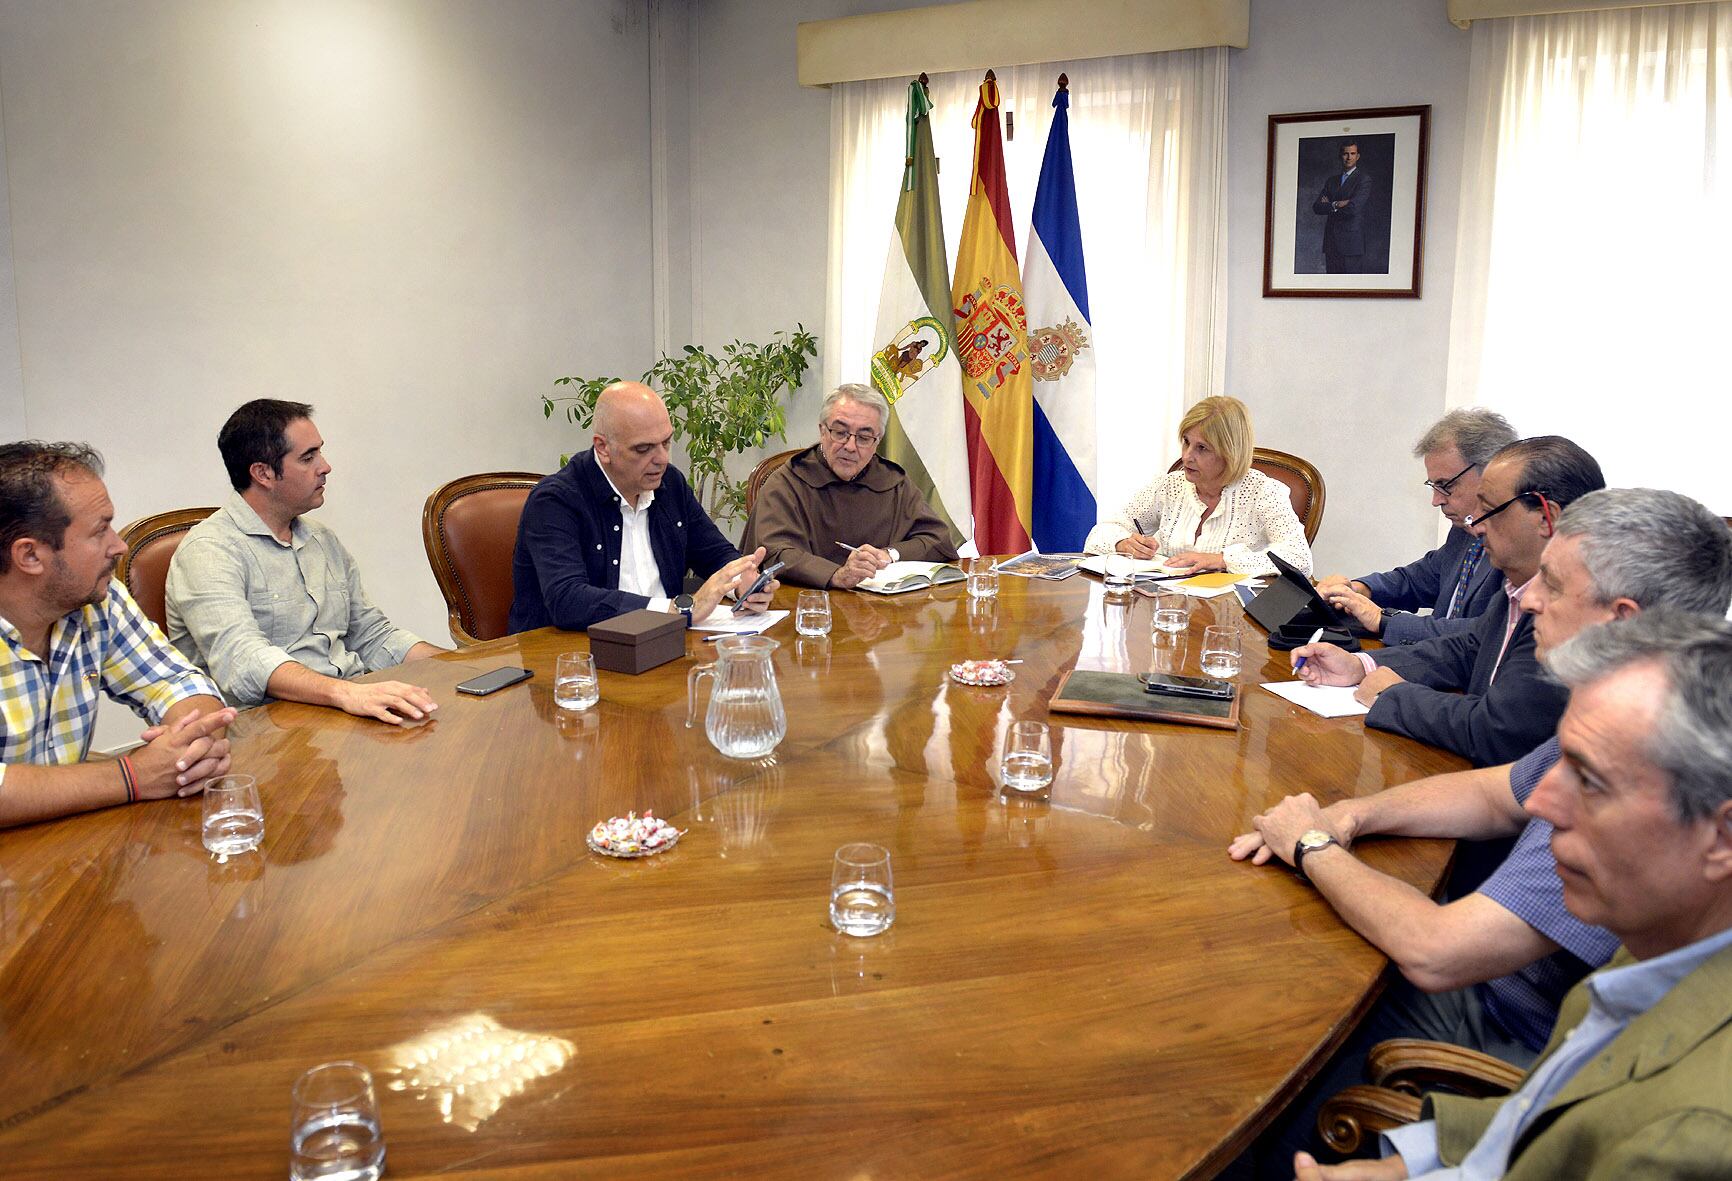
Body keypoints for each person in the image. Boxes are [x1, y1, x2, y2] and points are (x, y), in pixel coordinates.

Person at [1228, 488, 1732, 1175]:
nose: (1524, 599)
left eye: (1551, 585)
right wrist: (1350, 815)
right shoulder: (1630, 718)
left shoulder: (1644, 816)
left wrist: (1312, 845)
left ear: (1621, 620)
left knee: (1265, 1028)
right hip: (1492, 1045)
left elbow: (1440, 951)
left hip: (1490, 1022)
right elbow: (1497, 791)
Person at [1292, 436, 1605, 767]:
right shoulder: (1517, 585)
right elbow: (1466, 649)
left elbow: (1496, 730)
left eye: (1490, 509)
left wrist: (1391, 695)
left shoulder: (1570, 609)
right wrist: (1361, 665)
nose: (1476, 523)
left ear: (1545, 517)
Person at [0, 442, 236, 829]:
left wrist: (191, 746)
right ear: (29, 556)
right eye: (99, 531)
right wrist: (133, 776)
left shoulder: (96, 601)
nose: (119, 545)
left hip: (64, 843)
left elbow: (176, 681)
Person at [167, 400, 445, 725]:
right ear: (264, 473)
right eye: (308, 457)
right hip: (268, 735)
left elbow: (371, 634)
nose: (325, 466)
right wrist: (345, 693)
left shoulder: (321, 539)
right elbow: (242, 660)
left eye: (320, 453)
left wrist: (461, 665)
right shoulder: (208, 551)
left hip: (347, 712)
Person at [510, 381, 776, 633]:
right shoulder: (556, 501)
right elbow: (568, 600)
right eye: (643, 449)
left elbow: (713, 553)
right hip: (573, 660)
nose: (661, 459)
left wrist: (743, 584)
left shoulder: (669, 484)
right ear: (603, 448)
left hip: (664, 645)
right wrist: (677, 610)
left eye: (666, 442)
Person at [1316, 409, 1516, 645]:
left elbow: (1486, 633)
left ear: (1493, 471)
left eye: (1445, 485)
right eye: (1433, 485)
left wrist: (1383, 619)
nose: (1436, 500)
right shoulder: (1465, 530)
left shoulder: (1524, 545)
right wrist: (1358, 589)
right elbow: (1418, 579)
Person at [740, 383, 957, 589]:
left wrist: (889, 554)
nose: (850, 446)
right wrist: (836, 575)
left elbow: (938, 540)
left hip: (882, 613)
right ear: (822, 431)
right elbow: (774, 553)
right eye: (840, 432)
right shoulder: (786, 482)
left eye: (864, 437)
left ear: (876, 442)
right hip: (808, 610)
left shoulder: (893, 481)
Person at [1083, 395, 1312, 577]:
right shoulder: (1169, 486)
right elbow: (1101, 532)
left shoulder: (1264, 493)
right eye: (1186, 442)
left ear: (1230, 453)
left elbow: (1300, 559)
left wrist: (1222, 560)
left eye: (1202, 448)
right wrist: (1122, 543)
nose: (1187, 457)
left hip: (1232, 620)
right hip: (1168, 607)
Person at [1313, 140, 1372, 274]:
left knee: (1351, 288)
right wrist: (1337, 204)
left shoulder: (1363, 179)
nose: (1349, 157)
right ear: (1340, 156)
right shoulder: (1331, 181)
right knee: (1331, 288)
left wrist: (1329, 205)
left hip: (1351, 244)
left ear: (1358, 156)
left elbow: (1353, 208)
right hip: (1331, 243)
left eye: (1352, 153)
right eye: (1346, 154)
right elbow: (1316, 207)